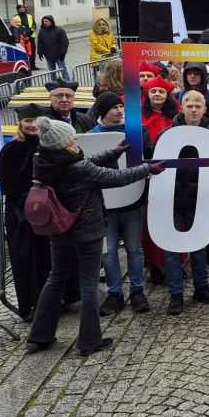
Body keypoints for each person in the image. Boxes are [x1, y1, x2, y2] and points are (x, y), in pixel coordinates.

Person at [25, 118, 163, 356]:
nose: (75, 140)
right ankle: (89, 340)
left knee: (55, 278)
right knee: (88, 283)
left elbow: (84, 165)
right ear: (63, 143)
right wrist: (148, 169)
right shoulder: (77, 168)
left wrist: (113, 152)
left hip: (58, 229)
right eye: (71, 138)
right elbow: (114, 178)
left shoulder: (44, 160)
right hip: (85, 231)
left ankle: (39, 336)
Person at [157, 91, 209, 315]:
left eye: (198, 106)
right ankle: (176, 294)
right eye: (190, 106)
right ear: (182, 108)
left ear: (204, 110)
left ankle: (202, 287)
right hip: (172, 197)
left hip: (199, 196)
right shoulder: (166, 134)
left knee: (199, 245)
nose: (194, 110)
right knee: (171, 247)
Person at [91, 92, 154, 316]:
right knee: (108, 253)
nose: (119, 111)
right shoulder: (92, 136)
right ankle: (114, 293)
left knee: (134, 249)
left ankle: (138, 291)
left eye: (121, 107)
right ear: (102, 111)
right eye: (114, 107)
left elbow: (149, 158)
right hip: (104, 205)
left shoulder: (136, 132)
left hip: (132, 200)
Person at [0, 104, 53, 321]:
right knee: (26, 260)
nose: (32, 125)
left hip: (47, 210)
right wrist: (33, 203)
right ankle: (31, 306)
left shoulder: (48, 145)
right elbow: (10, 187)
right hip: (22, 214)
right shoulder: (11, 150)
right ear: (20, 123)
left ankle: (53, 300)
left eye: (36, 121)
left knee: (47, 257)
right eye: (28, 121)